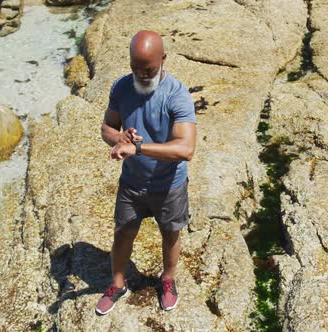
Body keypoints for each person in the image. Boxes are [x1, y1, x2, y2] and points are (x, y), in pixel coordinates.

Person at [95, 30, 197, 315]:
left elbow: (186, 148)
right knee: (123, 232)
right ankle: (117, 283)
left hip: (169, 184)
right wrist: (119, 139)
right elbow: (106, 127)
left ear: (163, 59)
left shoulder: (176, 95)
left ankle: (167, 280)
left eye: (148, 69)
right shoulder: (121, 87)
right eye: (135, 68)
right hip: (132, 182)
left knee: (170, 233)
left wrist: (139, 150)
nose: (141, 75)